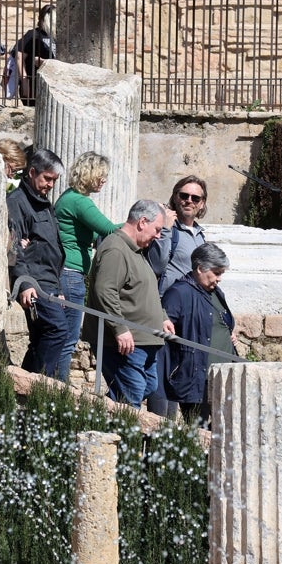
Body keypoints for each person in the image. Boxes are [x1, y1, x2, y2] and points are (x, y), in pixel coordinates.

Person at [85, 199, 176, 408]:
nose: (158, 235)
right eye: (157, 229)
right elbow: (104, 291)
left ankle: (103, 414)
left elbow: (142, 289)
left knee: (148, 386)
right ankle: (120, 437)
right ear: (143, 222)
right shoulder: (115, 249)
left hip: (144, 339)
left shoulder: (135, 250)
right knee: (131, 394)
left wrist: (161, 317)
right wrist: (120, 328)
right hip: (126, 342)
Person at [55, 151, 120, 380]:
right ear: (89, 174)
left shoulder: (70, 197)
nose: (104, 180)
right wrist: (144, 223)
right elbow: (110, 230)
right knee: (68, 339)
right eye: (101, 175)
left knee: (61, 338)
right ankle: (57, 389)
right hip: (71, 275)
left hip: (70, 274)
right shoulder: (79, 201)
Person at [7, 148, 68, 379]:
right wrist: (24, 284)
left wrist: (59, 289)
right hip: (34, 282)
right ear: (32, 172)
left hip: (49, 283)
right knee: (56, 329)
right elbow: (14, 249)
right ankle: (37, 384)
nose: (51, 185)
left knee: (44, 336)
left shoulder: (43, 202)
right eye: (47, 178)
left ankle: (22, 382)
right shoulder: (17, 202)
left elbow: (51, 248)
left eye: (54, 180)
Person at [161, 242, 236, 425]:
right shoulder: (179, 293)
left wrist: (228, 334)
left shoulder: (216, 292)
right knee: (198, 430)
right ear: (200, 268)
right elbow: (164, 330)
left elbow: (219, 322)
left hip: (224, 377)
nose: (219, 279)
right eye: (216, 273)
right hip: (196, 378)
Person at [148, 175, 206, 295]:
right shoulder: (165, 229)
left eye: (195, 198)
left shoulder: (200, 235)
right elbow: (156, 266)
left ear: (201, 204)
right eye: (184, 196)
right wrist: (165, 229)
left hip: (193, 304)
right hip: (168, 306)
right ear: (175, 197)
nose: (189, 200)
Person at [11, 3, 56, 106]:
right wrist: (25, 81)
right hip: (34, 84)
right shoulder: (33, 34)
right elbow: (19, 56)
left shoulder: (55, 37)